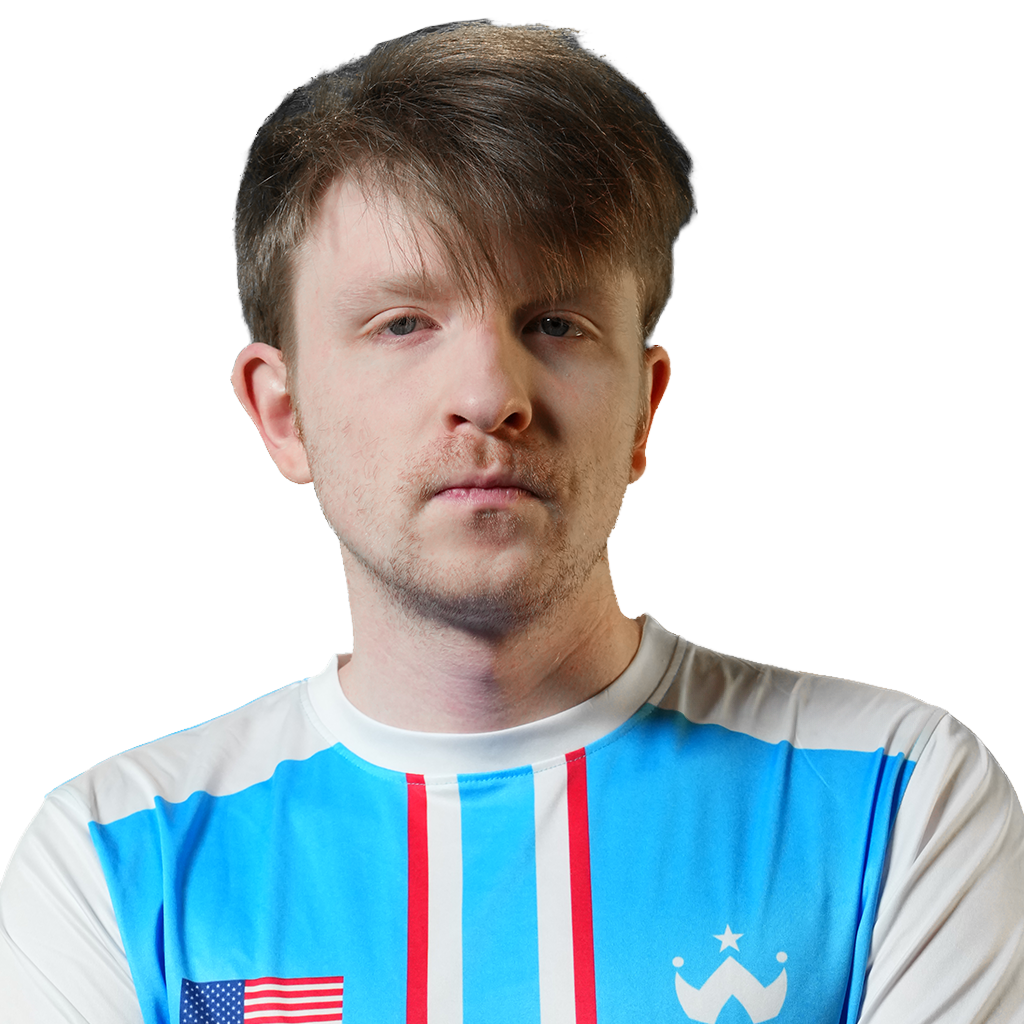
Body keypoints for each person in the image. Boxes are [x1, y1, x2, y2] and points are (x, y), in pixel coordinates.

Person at [1, 17, 1021, 1024]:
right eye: (404, 323)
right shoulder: (109, 861)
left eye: (555, 324)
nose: (490, 394)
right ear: (282, 413)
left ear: (643, 409)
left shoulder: (900, 796)